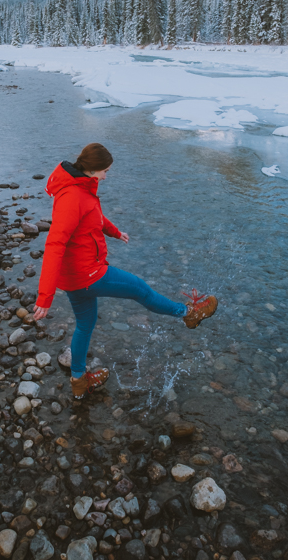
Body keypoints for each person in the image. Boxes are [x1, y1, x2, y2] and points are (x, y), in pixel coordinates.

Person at [34, 142, 218, 400]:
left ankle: (78, 381)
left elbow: (92, 215)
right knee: (139, 289)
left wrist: (114, 232)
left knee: (85, 325)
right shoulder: (72, 197)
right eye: (106, 171)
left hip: (76, 276)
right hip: (86, 274)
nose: (107, 175)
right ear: (94, 169)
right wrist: (45, 297)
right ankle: (188, 313)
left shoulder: (80, 187)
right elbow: (54, 244)